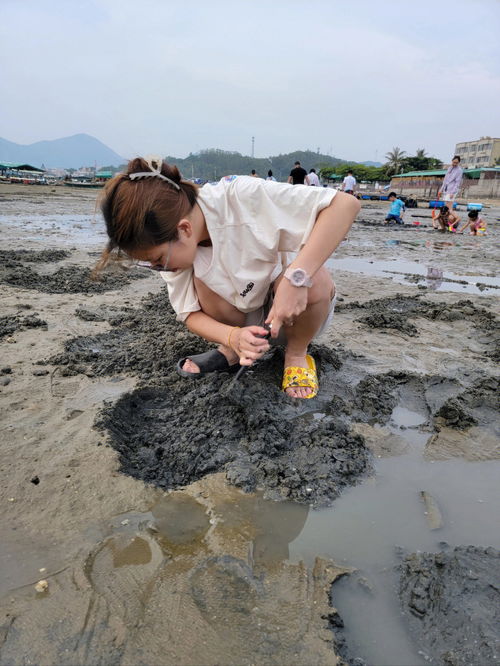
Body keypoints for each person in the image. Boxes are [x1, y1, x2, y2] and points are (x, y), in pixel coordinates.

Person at [97, 156, 360, 399]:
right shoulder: (173, 247)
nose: (159, 269)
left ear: (184, 228)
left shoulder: (240, 196)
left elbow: (344, 205)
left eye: (158, 261)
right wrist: (232, 337)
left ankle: (296, 354)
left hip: (294, 315)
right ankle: (233, 352)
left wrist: (296, 278)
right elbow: (189, 313)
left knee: (317, 278)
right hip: (244, 323)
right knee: (200, 275)